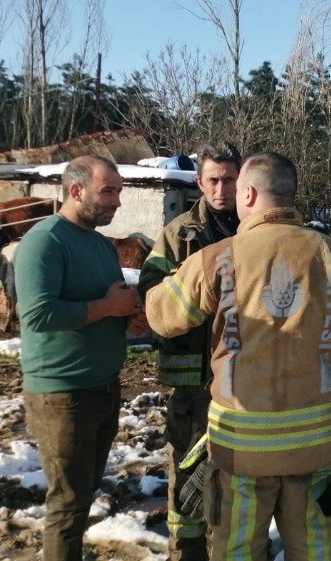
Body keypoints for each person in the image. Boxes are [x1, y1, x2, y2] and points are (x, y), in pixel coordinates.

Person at [145, 152, 331, 561]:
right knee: (312, 546)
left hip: (241, 446)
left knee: (239, 547)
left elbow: (162, 317)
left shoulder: (218, 257)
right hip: (313, 443)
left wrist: (173, 277)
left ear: (249, 193)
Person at [14, 155, 144, 561]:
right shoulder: (46, 240)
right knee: (67, 504)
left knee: (83, 494)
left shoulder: (100, 245)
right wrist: (107, 308)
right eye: (109, 191)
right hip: (62, 394)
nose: (117, 201)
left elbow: (109, 302)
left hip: (102, 388)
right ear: (75, 190)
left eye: (119, 191)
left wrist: (130, 317)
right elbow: (36, 315)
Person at [138, 141, 242, 561]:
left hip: (244, 379)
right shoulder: (177, 234)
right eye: (213, 180)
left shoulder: (256, 231)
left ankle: (234, 544)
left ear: (243, 181)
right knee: (188, 465)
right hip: (194, 378)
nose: (221, 189)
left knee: (239, 468)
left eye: (229, 179)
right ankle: (188, 549)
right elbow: (150, 293)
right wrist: (192, 296)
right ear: (199, 182)